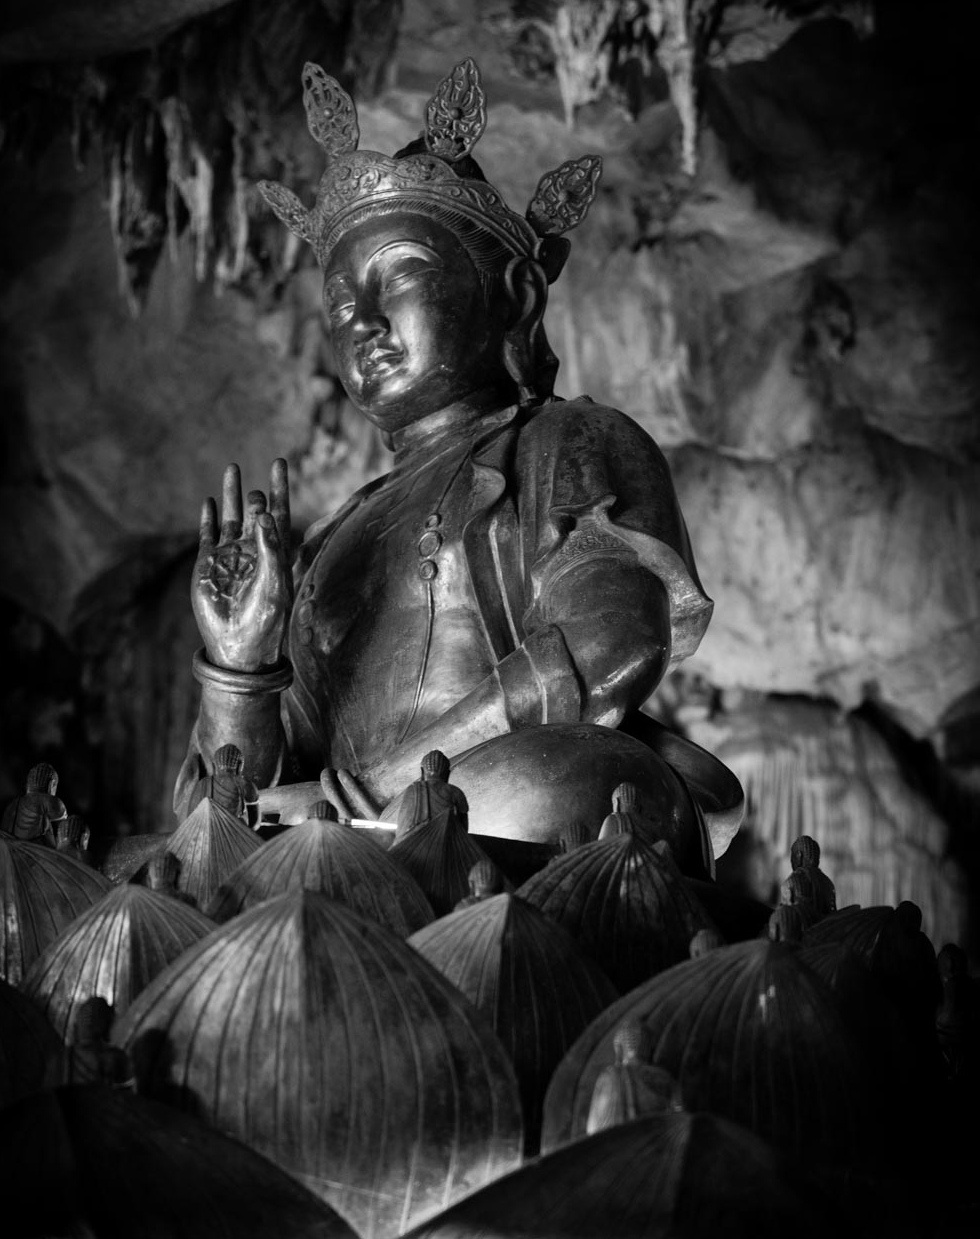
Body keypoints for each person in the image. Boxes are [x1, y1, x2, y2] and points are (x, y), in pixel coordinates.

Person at [174, 58, 741, 873]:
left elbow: (611, 647)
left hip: (487, 812)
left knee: (584, 781)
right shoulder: (334, 537)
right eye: (339, 304)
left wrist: (388, 790)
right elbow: (237, 799)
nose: (362, 321)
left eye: (401, 272)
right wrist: (239, 666)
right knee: (179, 854)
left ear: (513, 294)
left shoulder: (566, 441)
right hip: (346, 843)